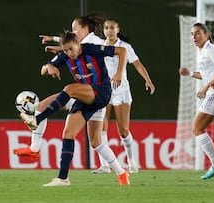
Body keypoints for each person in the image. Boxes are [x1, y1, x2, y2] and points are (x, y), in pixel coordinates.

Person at [20, 31, 130, 187]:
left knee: (69, 89)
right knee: (87, 139)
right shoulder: (65, 56)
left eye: (71, 49)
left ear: (78, 43)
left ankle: (37, 119)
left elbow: (121, 51)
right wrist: (49, 66)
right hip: (86, 98)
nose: (69, 53)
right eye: (65, 50)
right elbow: (44, 69)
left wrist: (119, 73)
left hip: (101, 92)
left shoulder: (91, 49)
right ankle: (66, 178)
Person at [13, 15, 105, 158]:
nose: (73, 32)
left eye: (75, 28)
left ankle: (118, 167)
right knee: (42, 106)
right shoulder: (75, 46)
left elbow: (112, 49)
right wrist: (49, 64)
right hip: (81, 93)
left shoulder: (95, 43)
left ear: (86, 28)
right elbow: (47, 66)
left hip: (98, 94)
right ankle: (34, 149)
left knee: (97, 140)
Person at [91, 19, 155, 174]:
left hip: (121, 91)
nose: (109, 31)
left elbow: (137, 64)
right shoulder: (100, 46)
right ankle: (105, 165)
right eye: (106, 28)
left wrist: (148, 80)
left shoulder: (125, 47)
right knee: (101, 127)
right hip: (104, 90)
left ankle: (131, 161)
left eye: (112, 28)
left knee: (123, 130)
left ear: (118, 30)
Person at [179, 23, 214, 179]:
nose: (194, 37)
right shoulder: (202, 51)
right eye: (192, 34)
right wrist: (190, 73)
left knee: (197, 128)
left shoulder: (210, 49)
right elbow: (208, 74)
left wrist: (206, 87)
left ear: (206, 34)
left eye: (197, 33)